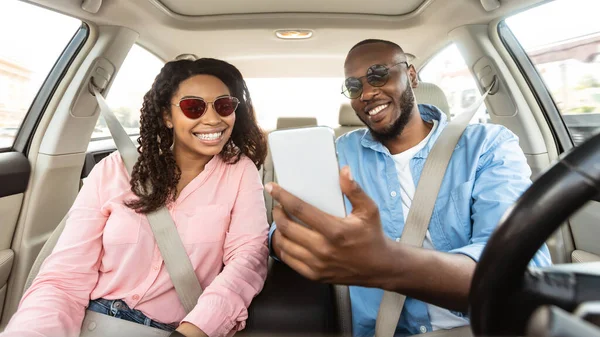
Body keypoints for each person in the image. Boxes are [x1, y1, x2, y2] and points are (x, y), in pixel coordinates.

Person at [267, 39, 552, 336]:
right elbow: (293, 224)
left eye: (378, 74)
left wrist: (384, 262)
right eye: (353, 86)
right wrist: (280, 239)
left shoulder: (486, 145)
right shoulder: (341, 154)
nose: (366, 92)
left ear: (412, 76)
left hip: (482, 326)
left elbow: (515, 261)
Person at [2, 58, 270, 337]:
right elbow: (63, 278)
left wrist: (197, 328)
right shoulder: (114, 169)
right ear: (168, 116)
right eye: (194, 107)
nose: (213, 118)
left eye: (224, 106)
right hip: (90, 320)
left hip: (175, 329)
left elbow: (248, 259)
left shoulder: (239, 172)